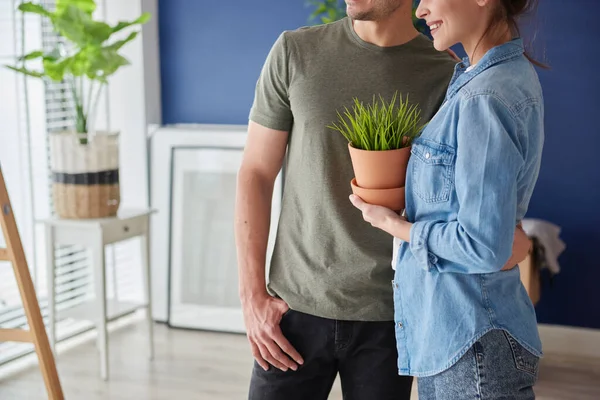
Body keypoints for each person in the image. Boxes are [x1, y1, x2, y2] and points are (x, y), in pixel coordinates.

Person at [235, 0, 530, 399]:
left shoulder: (450, 74)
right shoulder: (295, 51)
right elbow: (255, 172)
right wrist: (252, 296)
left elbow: (477, 199)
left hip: (394, 314)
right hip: (294, 310)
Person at [350, 0, 545, 399]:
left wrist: (396, 227)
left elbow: (481, 245)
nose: (420, 10)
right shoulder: (480, 79)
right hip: (464, 338)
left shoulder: (484, 97)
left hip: (472, 342)